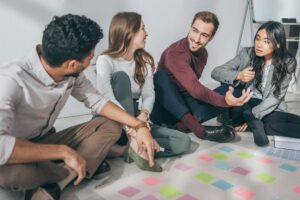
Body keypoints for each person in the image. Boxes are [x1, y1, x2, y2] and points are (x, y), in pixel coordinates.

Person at [0, 14, 158, 200]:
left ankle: (59, 181)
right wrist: (63, 152)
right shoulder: (10, 80)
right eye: (90, 54)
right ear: (72, 64)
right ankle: (77, 166)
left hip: (46, 139)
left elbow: (98, 101)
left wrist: (139, 126)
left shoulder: (71, 73)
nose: (92, 58)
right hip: (17, 149)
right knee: (13, 175)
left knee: (110, 124)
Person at [96, 12, 191, 172]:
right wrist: (133, 128)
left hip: (137, 117)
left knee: (183, 141)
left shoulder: (145, 61)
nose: (146, 33)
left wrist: (143, 116)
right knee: (121, 78)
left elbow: (148, 94)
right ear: (129, 32)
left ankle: (129, 149)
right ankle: (134, 143)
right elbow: (106, 96)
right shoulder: (105, 60)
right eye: (142, 28)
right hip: (112, 118)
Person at [150, 11, 252, 143]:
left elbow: (193, 90)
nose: (197, 39)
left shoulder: (203, 54)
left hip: (185, 104)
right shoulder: (175, 52)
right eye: (194, 31)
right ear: (190, 28)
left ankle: (182, 125)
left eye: (204, 35)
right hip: (164, 109)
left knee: (234, 90)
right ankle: (199, 129)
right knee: (160, 77)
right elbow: (195, 89)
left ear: (211, 37)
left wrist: (229, 99)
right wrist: (225, 102)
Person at [211, 21, 299, 146]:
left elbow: (275, 97)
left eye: (266, 41)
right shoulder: (247, 54)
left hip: (268, 106)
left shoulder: (287, 62)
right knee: (237, 103)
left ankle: (252, 121)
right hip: (244, 102)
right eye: (258, 39)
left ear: (278, 44)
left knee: (275, 122)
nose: (259, 44)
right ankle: (254, 122)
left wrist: (254, 114)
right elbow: (216, 72)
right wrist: (239, 75)